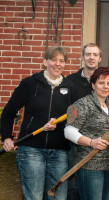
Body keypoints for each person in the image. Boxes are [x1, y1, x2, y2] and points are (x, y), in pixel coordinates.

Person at [0, 46, 78, 200]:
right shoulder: (29, 83)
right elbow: (8, 113)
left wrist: (60, 124)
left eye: (61, 61)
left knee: (58, 197)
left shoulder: (71, 87)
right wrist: (7, 137)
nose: (57, 64)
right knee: (33, 196)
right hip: (31, 149)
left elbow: (74, 117)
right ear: (45, 62)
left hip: (60, 152)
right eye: (53, 60)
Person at [64, 67, 109, 200]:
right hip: (89, 166)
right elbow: (68, 130)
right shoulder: (81, 104)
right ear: (93, 85)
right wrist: (91, 142)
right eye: (101, 82)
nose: (105, 86)